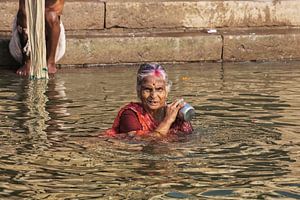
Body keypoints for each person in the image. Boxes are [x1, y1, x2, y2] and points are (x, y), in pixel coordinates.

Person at [103, 63, 193, 140]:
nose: (153, 96)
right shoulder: (130, 114)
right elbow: (143, 143)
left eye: (159, 89)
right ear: (139, 91)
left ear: (167, 91)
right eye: (147, 90)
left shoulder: (174, 113)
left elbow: (189, 138)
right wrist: (168, 121)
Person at [9, 0, 66, 76]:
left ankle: (50, 62)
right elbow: (23, 11)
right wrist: (27, 59)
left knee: (51, 14)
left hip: (54, 52)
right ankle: (27, 61)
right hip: (20, 51)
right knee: (24, 14)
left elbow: (52, 7)